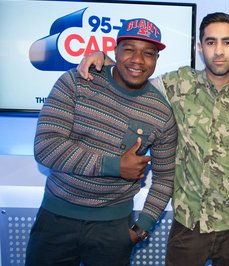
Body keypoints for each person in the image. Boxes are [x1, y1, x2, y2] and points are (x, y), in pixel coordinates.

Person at [77, 12, 229, 265]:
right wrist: (105, 59)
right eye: (211, 42)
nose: (219, 51)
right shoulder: (178, 83)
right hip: (188, 220)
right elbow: (135, 76)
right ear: (199, 47)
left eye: (227, 42)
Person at [25, 18, 178, 266]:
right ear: (114, 51)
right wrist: (115, 166)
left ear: (156, 60)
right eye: (129, 49)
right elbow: (46, 147)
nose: (138, 60)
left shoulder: (161, 112)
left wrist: (142, 227)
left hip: (114, 229)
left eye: (148, 53)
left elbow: (165, 178)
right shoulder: (76, 81)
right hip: (56, 219)